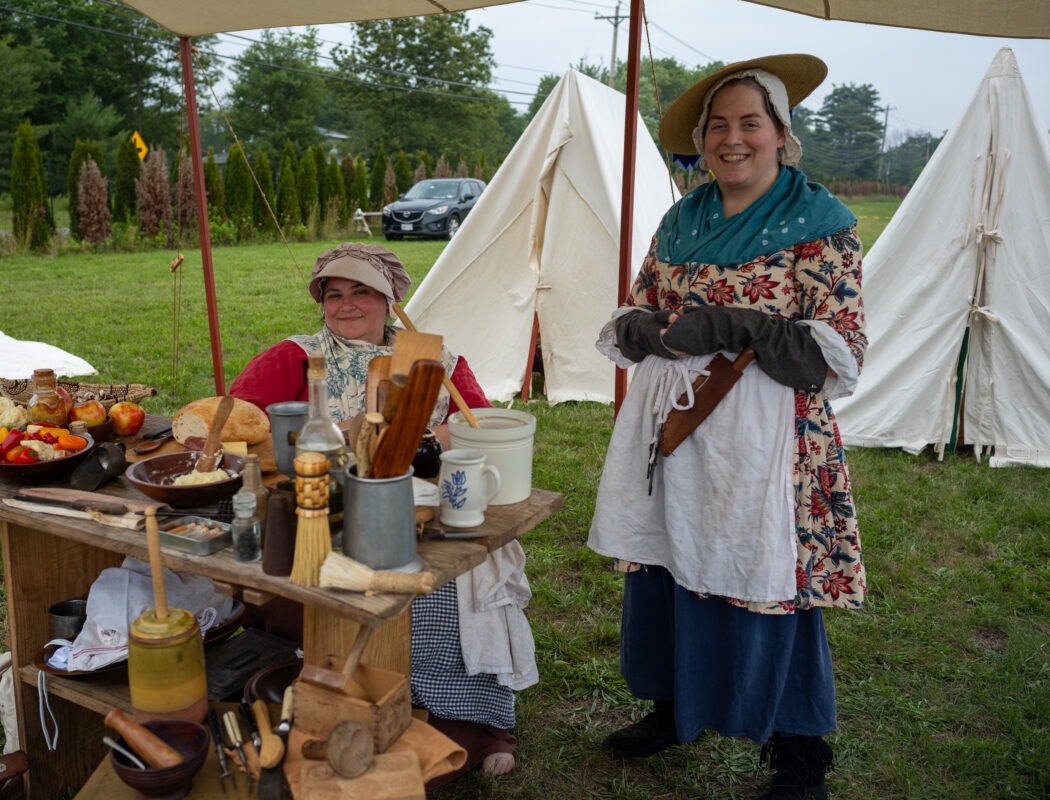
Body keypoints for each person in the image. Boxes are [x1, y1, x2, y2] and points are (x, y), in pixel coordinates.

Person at [587, 54, 867, 800]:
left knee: (766, 582)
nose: (732, 140)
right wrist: (645, 328)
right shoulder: (683, 217)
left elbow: (836, 355)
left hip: (769, 444)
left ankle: (799, 753)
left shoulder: (822, 226)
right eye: (719, 127)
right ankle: (672, 707)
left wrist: (739, 324)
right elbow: (638, 303)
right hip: (679, 431)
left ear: (782, 135)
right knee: (669, 560)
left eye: (751, 124)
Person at [231, 242, 528, 781]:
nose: (345, 306)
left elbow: (478, 426)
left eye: (362, 293)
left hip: (424, 510)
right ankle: (324, 702)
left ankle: (468, 727)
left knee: (448, 587)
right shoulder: (295, 356)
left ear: (389, 300)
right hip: (321, 511)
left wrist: (421, 438)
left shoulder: (432, 357)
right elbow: (236, 423)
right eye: (333, 294)